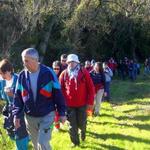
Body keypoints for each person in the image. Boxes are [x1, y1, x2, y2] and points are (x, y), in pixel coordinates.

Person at [13, 48, 66, 150]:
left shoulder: (48, 73)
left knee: (42, 142)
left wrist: (62, 112)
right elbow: (17, 98)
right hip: (30, 117)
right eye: (24, 60)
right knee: (36, 145)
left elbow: (58, 94)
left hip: (47, 115)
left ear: (35, 59)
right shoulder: (22, 76)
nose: (24, 63)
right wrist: (16, 115)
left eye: (26, 60)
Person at [59, 54, 95, 147]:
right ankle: (75, 142)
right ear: (67, 63)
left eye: (73, 62)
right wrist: (63, 102)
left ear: (77, 62)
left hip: (83, 104)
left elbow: (91, 88)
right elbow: (60, 89)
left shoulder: (84, 72)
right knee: (72, 125)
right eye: (69, 62)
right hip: (69, 105)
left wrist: (90, 102)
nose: (71, 64)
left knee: (81, 123)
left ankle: (83, 131)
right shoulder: (64, 74)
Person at [0, 59, 29, 150]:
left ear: (9, 71)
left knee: (20, 134)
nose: (1, 76)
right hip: (8, 110)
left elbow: (27, 96)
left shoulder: (18, 79)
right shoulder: (2, 82)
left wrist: (13, 95)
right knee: (12, 134)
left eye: (2, 73)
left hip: (20, 109)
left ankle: (23, 146)